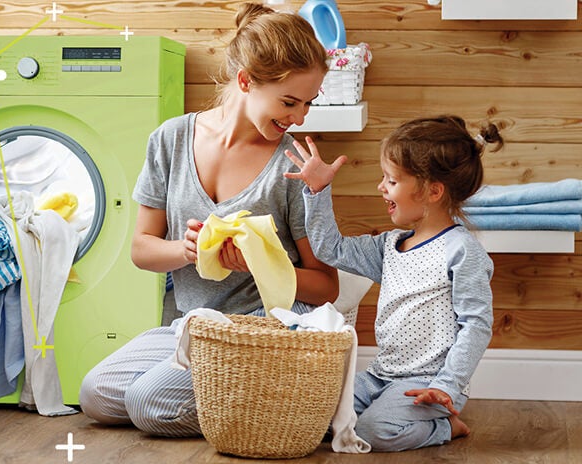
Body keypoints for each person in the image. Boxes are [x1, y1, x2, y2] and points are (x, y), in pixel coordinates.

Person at [78, 2, 341, 437]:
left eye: (308, 104)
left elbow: (325, 285)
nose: (299, 118)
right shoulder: (171, 139)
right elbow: (142, 249)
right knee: (97, 394)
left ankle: (291, 410)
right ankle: (276, 401)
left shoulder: (290, 164)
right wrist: (184, 250)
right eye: (289, 102)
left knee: (147, 404)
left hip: (264, 328)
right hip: (196, 324)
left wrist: (261, 263)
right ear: (245, 81)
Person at [284, 115, 503, 451]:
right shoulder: (388, 247)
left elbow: (476, 325)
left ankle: (446, 427)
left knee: (374, 432)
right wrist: (318, 190)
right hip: (379, 376)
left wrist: (448, 385)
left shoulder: (461, 251)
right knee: (312, 415)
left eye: (392, 180)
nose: (381, 187)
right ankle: (394, 411)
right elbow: (331, 248)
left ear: (432, 191)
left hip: (427, 382)